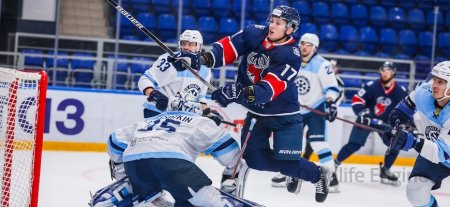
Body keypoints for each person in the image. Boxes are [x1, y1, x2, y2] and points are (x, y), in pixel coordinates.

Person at [172, 5, 331, 203]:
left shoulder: (291, 55)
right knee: (254, 160)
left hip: (284, 117)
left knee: (289, 164)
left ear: (289, 29)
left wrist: (235, 93)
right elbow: (227, 49)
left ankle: (317, 173)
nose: (272, 25)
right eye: (271, 21)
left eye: (278, 23)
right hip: (257, 114)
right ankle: (292, 167)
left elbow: (266, 91)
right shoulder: (254, 33)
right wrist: (199, 60)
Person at [90, 97, 254, 207]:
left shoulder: (149, 120)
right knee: (207, 200)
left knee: (158, 189)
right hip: (172, 165)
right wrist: (230, 180)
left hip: (135, 164)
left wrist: (122, 171)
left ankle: (124, 191)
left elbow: (114, 142)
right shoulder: (200, 121)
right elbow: (231, 155)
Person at [270, 34, 342, 194]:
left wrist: (330, 103)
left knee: (319, 143)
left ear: (314, 47)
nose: (304, 47)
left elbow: (331, 87)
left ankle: (331, 177)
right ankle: (290, 173)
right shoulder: (291, 60)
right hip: (294, 109)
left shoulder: (323, 65)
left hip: (315, 108)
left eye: (308, 45)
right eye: (302, 43)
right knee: (291, 144)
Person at [383, 61, 450, 207]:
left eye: (441, 82)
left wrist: (411, 141)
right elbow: (400, 113)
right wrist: (395, 131)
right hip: (436, 154)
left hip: (443, 152)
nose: (434, 85)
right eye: (434, 79)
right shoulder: (423, 91)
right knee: (416, 193)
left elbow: (442, 153)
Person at [333, 61, 409, 189]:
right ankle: (333, 165)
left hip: (385, 124)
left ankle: (385, 170)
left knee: (395, 144)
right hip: (366, 120)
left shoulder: (401, 91)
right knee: (354, 145)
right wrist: (363, 114)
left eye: (388, 70)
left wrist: (408, 124)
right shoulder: (371, 86)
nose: (384, 73)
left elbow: (407, 110)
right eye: (383, 70)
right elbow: (357, 100)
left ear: (393, 73)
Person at [138, 29, 211, 118]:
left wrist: (208, 113)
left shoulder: (206, 70)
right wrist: (154, 94)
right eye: (184, 43)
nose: (186, 47)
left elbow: (200, 98)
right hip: (157, 112)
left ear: (199, 46)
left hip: (183, 117)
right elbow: (145, 79)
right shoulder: (169, 60)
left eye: (191, 44)